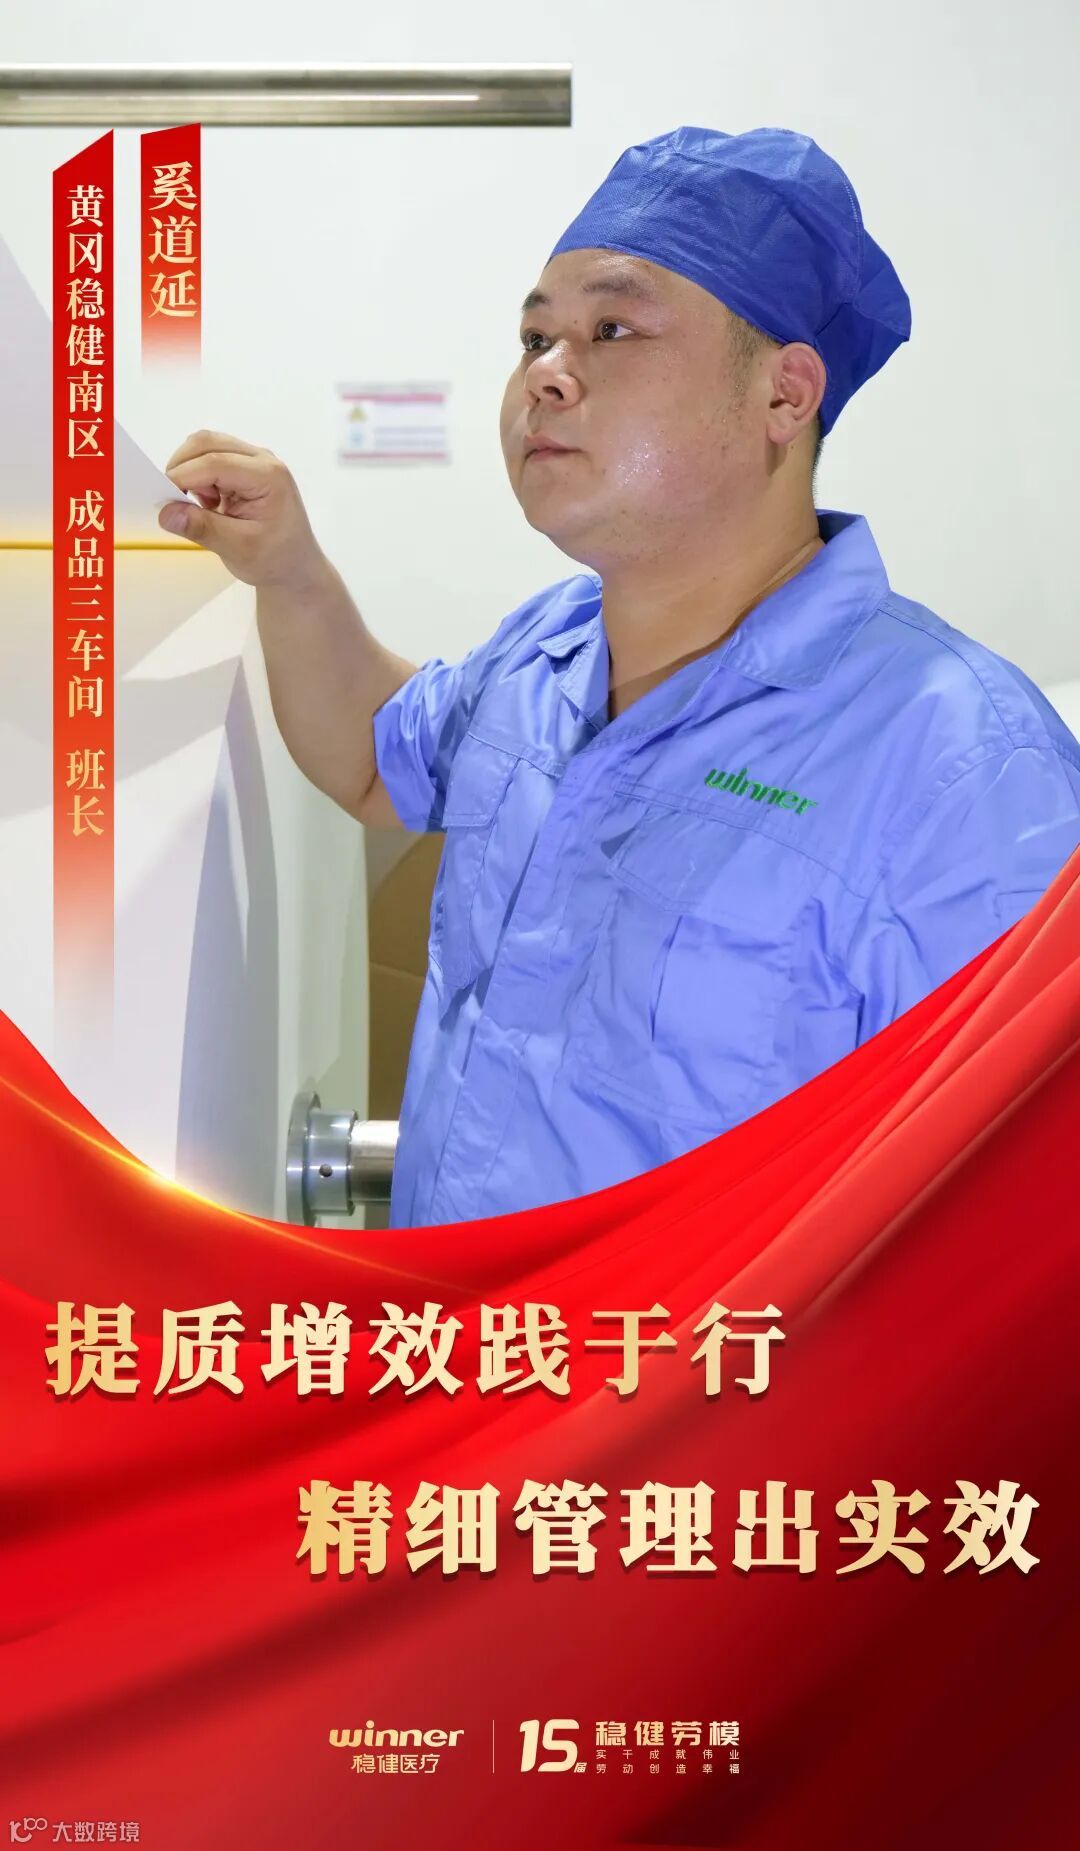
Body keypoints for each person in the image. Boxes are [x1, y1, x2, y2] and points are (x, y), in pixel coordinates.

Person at [158, 124, 1080, 1229]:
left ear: (785, 395)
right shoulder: (545, 652)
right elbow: (371, 756)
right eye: (533, 335)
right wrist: (291, 572)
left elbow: (1016, 1215)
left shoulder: (963, 765)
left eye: (612, 328)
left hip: (719, 1345)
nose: (546, 373)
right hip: (472, 1325)